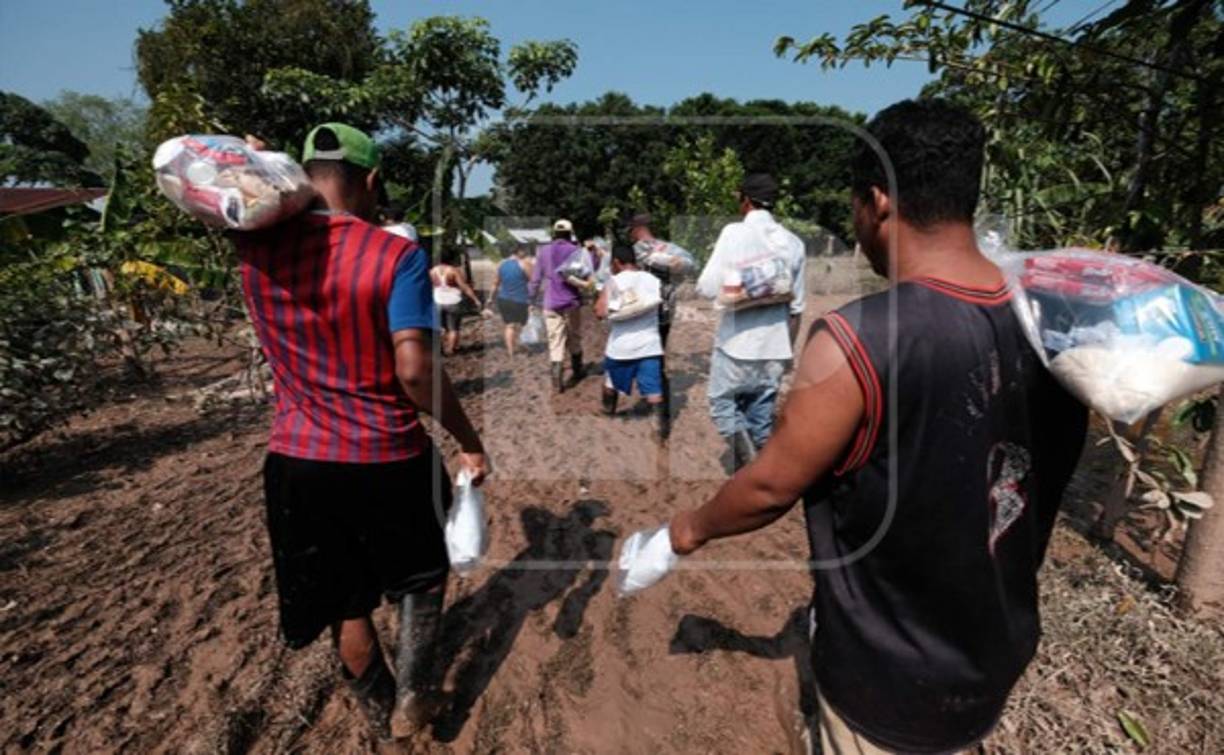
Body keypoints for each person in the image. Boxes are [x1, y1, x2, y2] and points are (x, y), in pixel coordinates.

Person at [664, 100, 1088, 753]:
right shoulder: (1057, 328)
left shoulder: (858, 340)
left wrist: (686, 530)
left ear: (878, 200)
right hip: (989, 658)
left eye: (856, 208)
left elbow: (770, 488)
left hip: (886, 678)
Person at [235, 123, 489, 743]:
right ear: (372, 180)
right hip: (387, 453)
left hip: (297, 458)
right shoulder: (395, 255)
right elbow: (414, 371)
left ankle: (378, 715)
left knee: (345, 599)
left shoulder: (254, 250)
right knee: (421, 577)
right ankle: (413, 697)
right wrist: (468, 438)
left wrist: (255, 165)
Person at [695, 173, 807, 469]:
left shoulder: (734, 233)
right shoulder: (794, 243)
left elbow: (707, 287)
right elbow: (796, 308)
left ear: (745, 201)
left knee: (723, 406)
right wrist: (786, 353)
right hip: (776, 348)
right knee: (760, 417)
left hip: (736, 346)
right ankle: (763, 474)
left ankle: (752, 468)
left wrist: (737, 286)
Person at [594, 245, 669, 440]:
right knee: (653, 391)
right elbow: (663, 311)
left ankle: (608, 413)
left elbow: (600, 312)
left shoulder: (613, 282)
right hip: (650, 345)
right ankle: (659, 430)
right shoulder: (653, 280)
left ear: (616, 263)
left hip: (620, 347)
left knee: (610, 383)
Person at [529, 219, 591, 392]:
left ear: (554, 233)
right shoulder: (575, 251)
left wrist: (531, 298)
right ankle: (577, 371)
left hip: (550, 302)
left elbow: (535, 279)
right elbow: (583, 275)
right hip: (571, 300)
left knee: (555, 341)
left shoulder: (543, 251)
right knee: (574, 336)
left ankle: (557, 380)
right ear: (570, 233)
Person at [626, 213, 689, 348]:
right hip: (664, 305)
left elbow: (688, 264)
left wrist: (665, 259)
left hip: (647, 306)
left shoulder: (634, 250)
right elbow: (690, 264)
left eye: (631, 229)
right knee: (660, 342)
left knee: (646, 344)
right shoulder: (669, 247)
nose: (630, 233)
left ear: (638, 229)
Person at [487, 244, 534, 356]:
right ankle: (522, 346)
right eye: (524, 251)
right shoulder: (524, 264)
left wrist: (490, 298)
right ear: (519, 251)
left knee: (509, 326)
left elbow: (495, 283)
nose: (526, 253)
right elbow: (533, 282)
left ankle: (511, 351)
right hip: (520, 300)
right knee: (524, 325)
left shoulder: (501, 264)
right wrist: (533, 299)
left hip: (504, 299)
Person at [430, 252, 481, 356]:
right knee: (453, 328)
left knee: (440, 328)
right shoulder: (453, 271)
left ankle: (440, 349)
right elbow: (464, 287)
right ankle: (450, 349)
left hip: (438, 301)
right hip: (453, 302)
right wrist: (475, 299)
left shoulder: (432, 271)